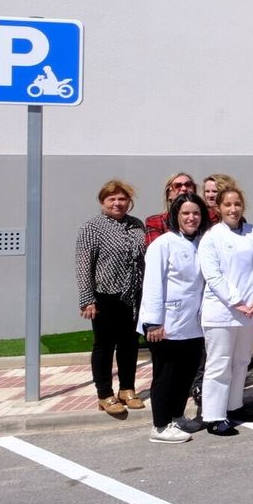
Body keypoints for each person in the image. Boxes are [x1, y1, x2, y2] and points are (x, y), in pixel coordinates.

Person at [197, 186, 253, 435]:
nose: (233, 209)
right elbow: (213, 276)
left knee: (241, 361)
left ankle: (234, 406)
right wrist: (236, 300)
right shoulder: (211, 237)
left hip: (250, 310)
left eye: (237, 204)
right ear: (218, 208)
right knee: (219, 363)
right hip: (222, 312)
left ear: (243, 206)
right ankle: (214, 415)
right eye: (227, 205)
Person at [74, 179, 147, 418]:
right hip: (105, 296)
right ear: (102, 202)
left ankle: (127, 388)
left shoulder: (136, 225)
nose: (117, 203)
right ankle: (104, 394)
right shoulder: (91, 227)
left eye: (122, 199)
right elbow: (84, 265)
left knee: (129, 344)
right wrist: (87, 299)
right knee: (104, 347)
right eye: (112, 199)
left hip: (133, 296)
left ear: (129, 202)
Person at [139, 192, 208, 443]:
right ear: (175, 216)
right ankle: (159, 426)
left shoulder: (202, 242)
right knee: (165, 374)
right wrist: (154, 322)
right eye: (186, 213)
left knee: (186, 373)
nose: (192, 217)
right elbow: (153, 284)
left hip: (193, 322)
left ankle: (177, 416)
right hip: (166, 323)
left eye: (196, 213)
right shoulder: (163, 244)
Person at [145, 173, 198, 247]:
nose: (184, 189)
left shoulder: (206, 218)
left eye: (188, 185)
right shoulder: (156, 221)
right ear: (169, 195)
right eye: (178, 186)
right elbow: (156, 250)